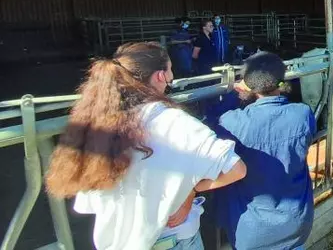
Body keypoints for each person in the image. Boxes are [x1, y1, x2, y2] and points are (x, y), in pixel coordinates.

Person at [44, 42, 247, 250]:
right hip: (170, 238)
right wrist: (192, 189)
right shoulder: (176, 122)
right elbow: (236, 169)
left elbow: (89, 199)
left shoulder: (95, 121)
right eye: (170, 73)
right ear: (160, 76)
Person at [213, 52, 316, 250]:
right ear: (281, 81)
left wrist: (233, 96)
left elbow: (213, 122)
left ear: (247, 83)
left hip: (251, 229)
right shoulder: (302, 114)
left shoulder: (232, 123)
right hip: (296, 223)